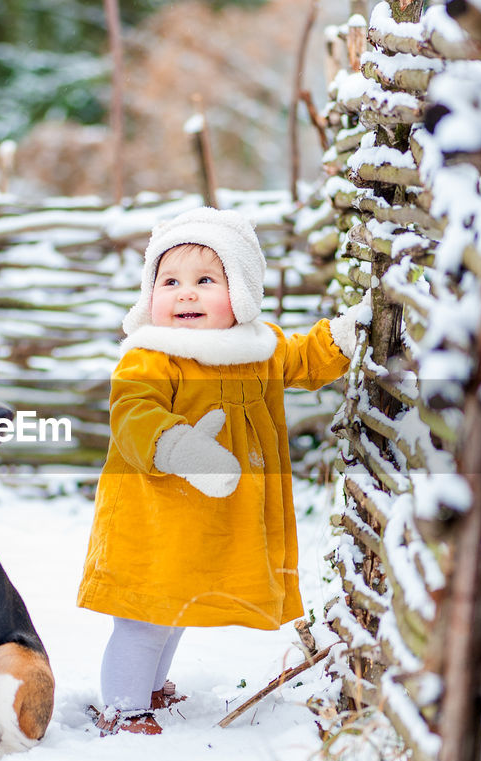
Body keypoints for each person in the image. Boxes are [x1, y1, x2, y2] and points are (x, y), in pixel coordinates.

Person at [76, 206, 368, 734]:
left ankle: (149, 688)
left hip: (208, 520)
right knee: (145, 616)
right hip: (155, 513)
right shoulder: (151, 355)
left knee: (175, 612)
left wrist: (344, 337)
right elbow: (133, 414)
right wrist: (182, 448)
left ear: (242, 291)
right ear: (150, 294)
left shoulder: (257, 347)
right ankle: (124, 707)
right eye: (170, 282)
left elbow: (303, 360)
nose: (185, 293)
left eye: (205, 280)